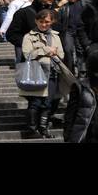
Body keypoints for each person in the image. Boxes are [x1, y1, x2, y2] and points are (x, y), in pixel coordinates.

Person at [20, 8, 65, 137]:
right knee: (35, 102)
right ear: (36, 21)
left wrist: (53, 53)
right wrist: (45, 50)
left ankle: (43, 128)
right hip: (36, 72)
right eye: (41, 21)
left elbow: (61, 54)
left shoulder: (55, 36)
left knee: (47, 103)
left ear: (52, 22)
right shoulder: (28, 36)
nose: (44, 24)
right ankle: (32, 129)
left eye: (47, 22)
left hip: (52, 72)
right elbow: (28, 54)